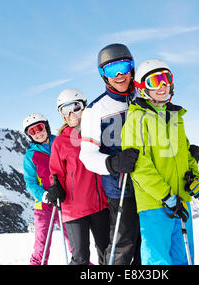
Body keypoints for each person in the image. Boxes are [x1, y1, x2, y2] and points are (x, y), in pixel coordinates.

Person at [121, 59, 199, 265]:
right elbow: (140, 167)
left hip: (181, 200)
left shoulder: (176, 116)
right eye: (154, 81)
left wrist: (194, 177)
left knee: (183, 258)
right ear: (142, 87)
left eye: (166, 79)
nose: (161, 86)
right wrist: (166, 196)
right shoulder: (137, 119)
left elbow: (185, 154)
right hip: (155, 204)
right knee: (158, 261)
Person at [79, 43, 141, 265]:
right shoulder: (95, 110)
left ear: (132, 67)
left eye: (124, 67)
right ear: (103, 75)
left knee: (149, 246)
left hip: (150, 185)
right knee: (123, 246)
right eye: (111, 70)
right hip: (120, 188)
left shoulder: (144, 97)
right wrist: (113, 163)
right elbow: (87, 155)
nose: (120, 75)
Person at [49, 88, 110, 265]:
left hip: (100, 205)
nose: (71, 113)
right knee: (80, 258)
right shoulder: (61, 142)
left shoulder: (99, 133)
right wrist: (56, 187)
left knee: (106, 254)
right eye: (65, 110)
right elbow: (56, 172)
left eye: (75, 107)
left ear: (84, 106)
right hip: (74, 209)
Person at [22, 113, 71, 265]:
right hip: (44, 206)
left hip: (66, 201)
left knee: (75, 242)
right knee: (41, 246)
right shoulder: (30, 156)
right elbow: (30, 182)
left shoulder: (61, 142)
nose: (37, 133)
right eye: (32, 131)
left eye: (39, 128)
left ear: (46, 126)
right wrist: (44, 195)